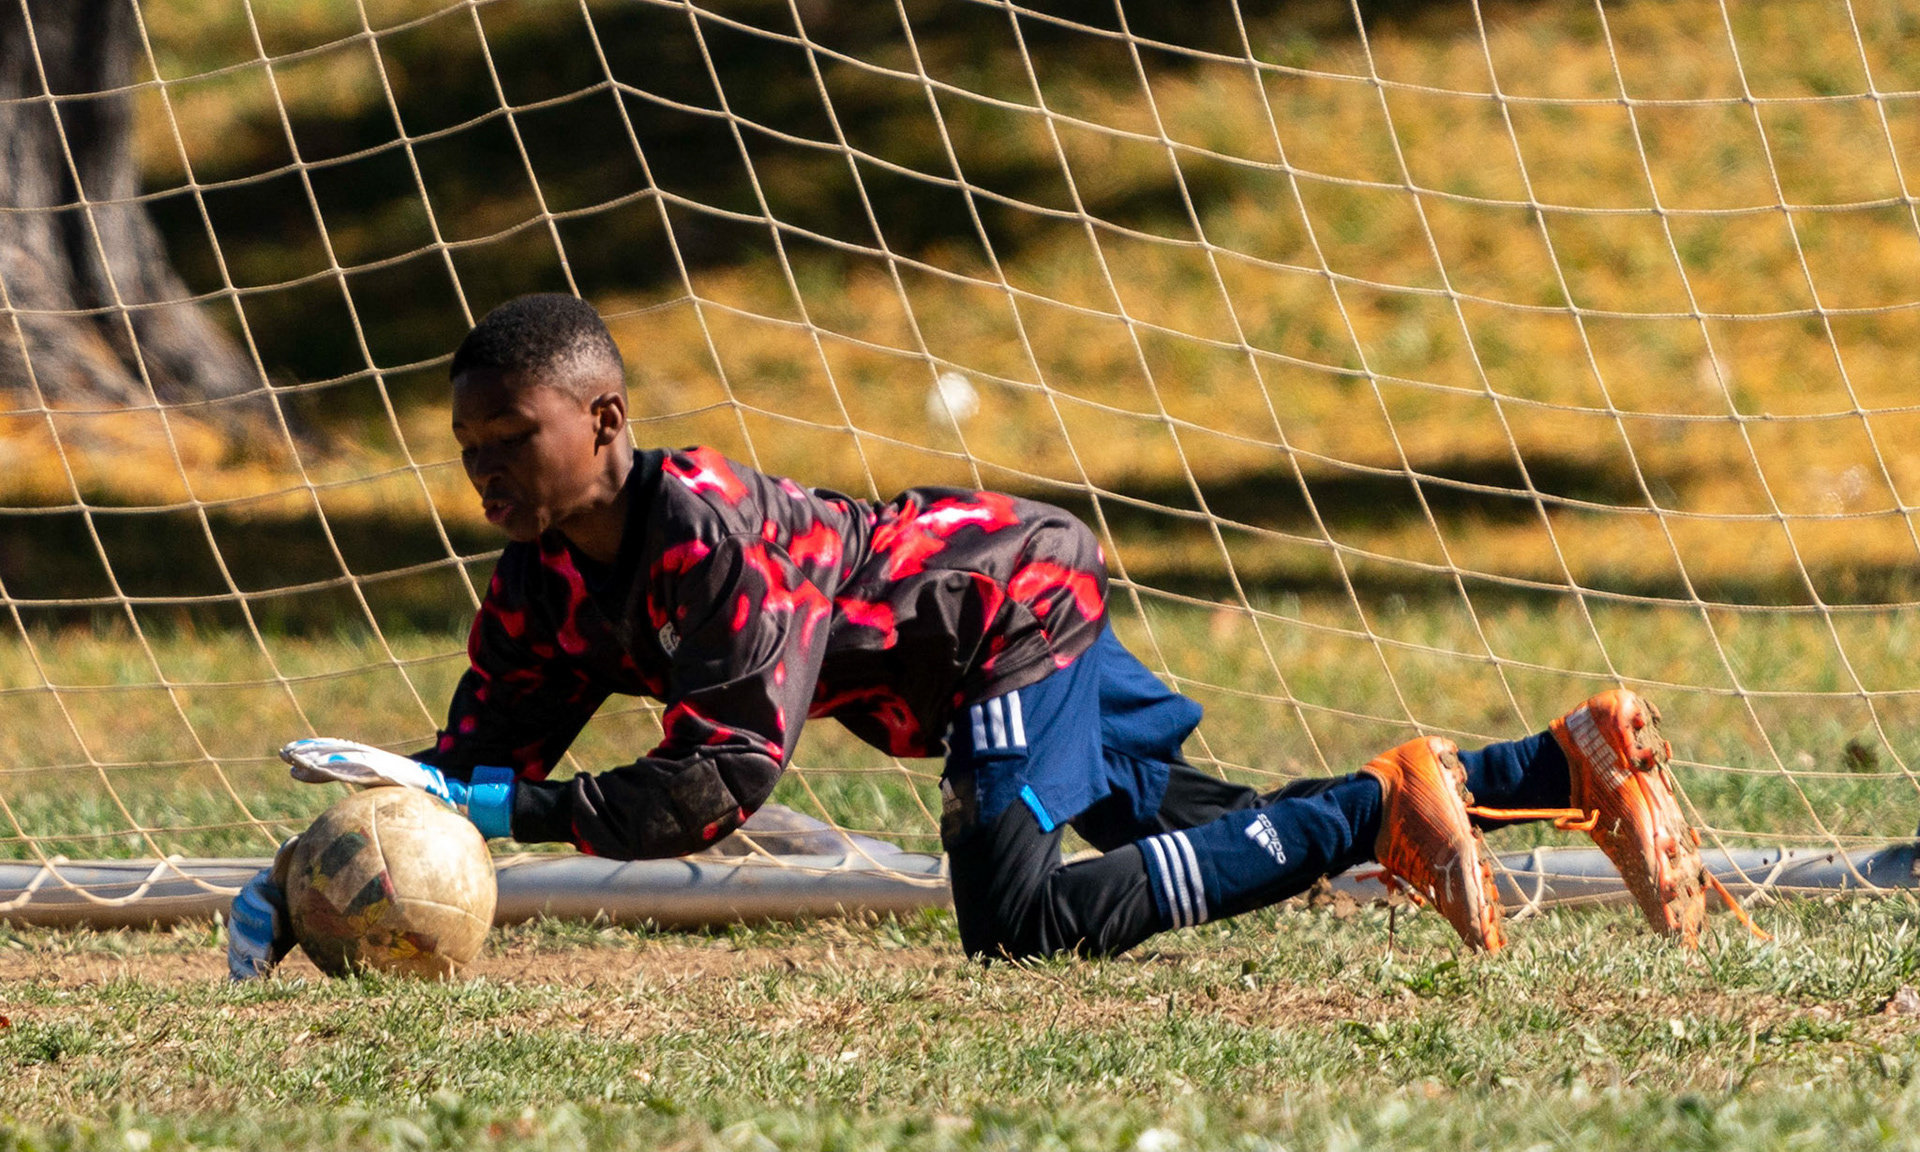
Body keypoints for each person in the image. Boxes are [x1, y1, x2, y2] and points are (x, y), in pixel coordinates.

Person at [227, 294, 1760, 979]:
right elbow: (456, 773)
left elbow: (718, 786)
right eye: (471, 448)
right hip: (980, 646)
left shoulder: (713, 537)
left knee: (1022, 922)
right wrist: (311, 872)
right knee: (1237, 844)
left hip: (1004, 613)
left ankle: (1387, 796)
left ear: (607, 418)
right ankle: (1562, 764)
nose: (489, 470)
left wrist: (508, 811)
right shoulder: (540, 588)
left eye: (515, 438)